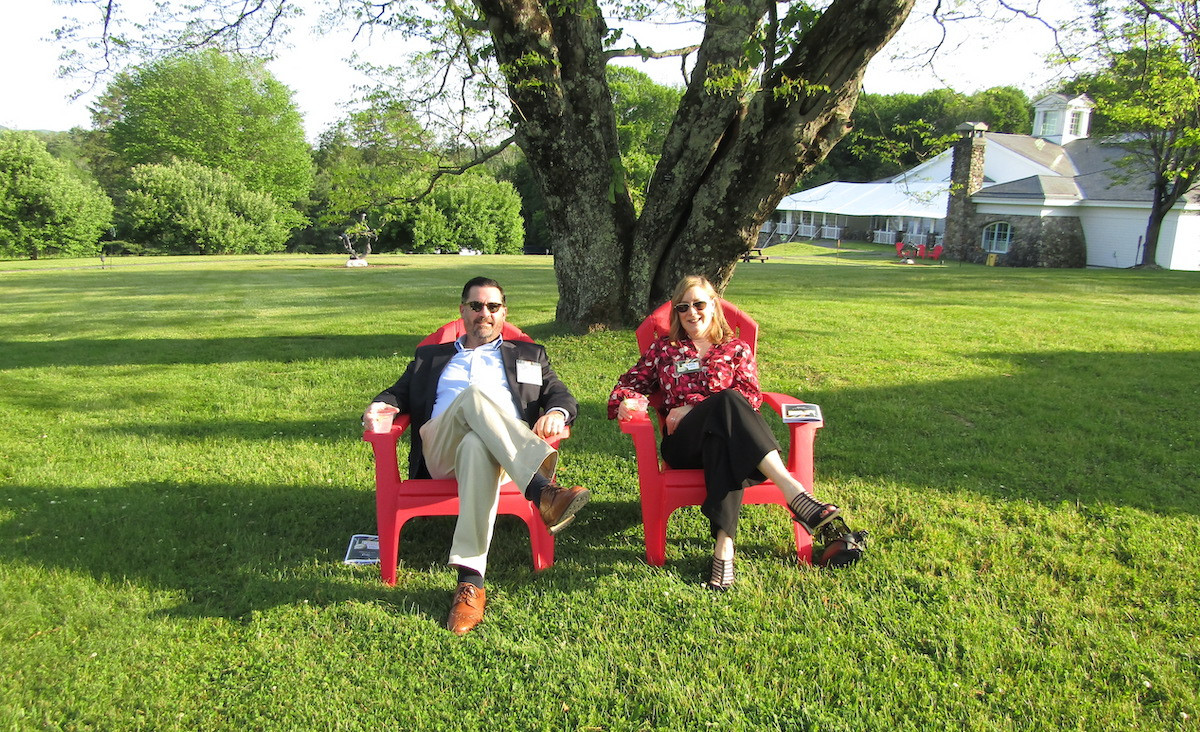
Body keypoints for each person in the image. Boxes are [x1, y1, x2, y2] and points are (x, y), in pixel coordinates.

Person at [365, 277, 590, 634]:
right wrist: (381, 404)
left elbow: (561, 396)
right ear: (462, 311)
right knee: (471, 396)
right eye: (475, 306)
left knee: (476, 445)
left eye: (492, 307)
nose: (483, 313)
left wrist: (557, 414)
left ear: (504, 312)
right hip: (441, 448)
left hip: (501, 456)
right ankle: (542, 490)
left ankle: (470, 583)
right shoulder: (431, 357)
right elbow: (398, 393)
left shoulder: (529, 355)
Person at [608, 275, 839, 590]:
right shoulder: (665, 350)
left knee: (724, 438)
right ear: (676, 312)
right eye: (683, 307)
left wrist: (692, 406)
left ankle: (723, 550)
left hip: (727, 441)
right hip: (684, 445)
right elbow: (629, 383)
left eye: (700, 304)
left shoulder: (736, 348)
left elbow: (751, 395)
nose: (692, 313)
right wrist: (627, 401)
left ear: (714, 306)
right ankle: (793, 491)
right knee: (728, 401)